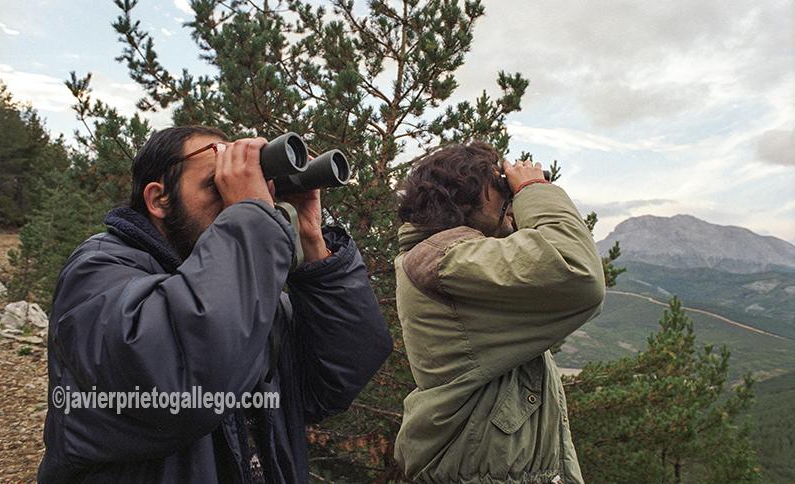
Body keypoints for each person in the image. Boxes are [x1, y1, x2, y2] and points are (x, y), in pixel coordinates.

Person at [39, 126, 392, 483]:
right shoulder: (98, 272)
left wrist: (313, 243)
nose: (232, 201)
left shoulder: (243, 294)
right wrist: (251, 217)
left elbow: (334, 382)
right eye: (216, 185)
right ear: (159, 199)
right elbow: (179, 391)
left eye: (240, 186)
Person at [393, 142, 605, 483]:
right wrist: (533, 190)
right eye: (497, 182)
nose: (508, 188)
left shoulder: (455, 256)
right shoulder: (444, 262)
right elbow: (577, 271)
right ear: (461, 196)